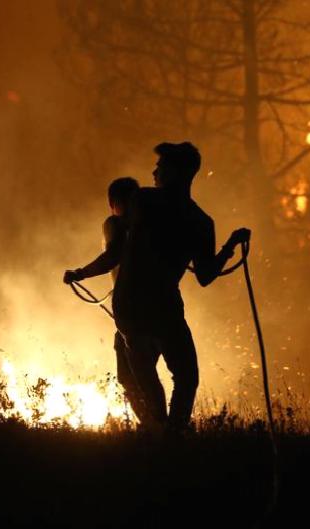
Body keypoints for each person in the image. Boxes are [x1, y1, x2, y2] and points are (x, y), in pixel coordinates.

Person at [85, 142, 249, 431]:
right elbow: (206, 275)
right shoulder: (200, 221)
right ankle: (171, 435)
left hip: (132, 307)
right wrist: (229, 247)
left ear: (176, 172)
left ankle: (159, 433)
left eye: (160, 167)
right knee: (186, 377)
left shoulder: (143, 202)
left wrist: (82, 273)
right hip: (163, 308)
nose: (154, 171)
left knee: (146, 380)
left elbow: (114, 248)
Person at [62, 177, 151, 422]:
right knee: (147, 373)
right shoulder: (152, 228)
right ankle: (162, 428)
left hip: (132, 313)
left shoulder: (115, 223)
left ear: (113, 203)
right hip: (160, 309)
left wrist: (79, 273)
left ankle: (156, 429)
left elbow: (112, 256)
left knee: (131, 376)